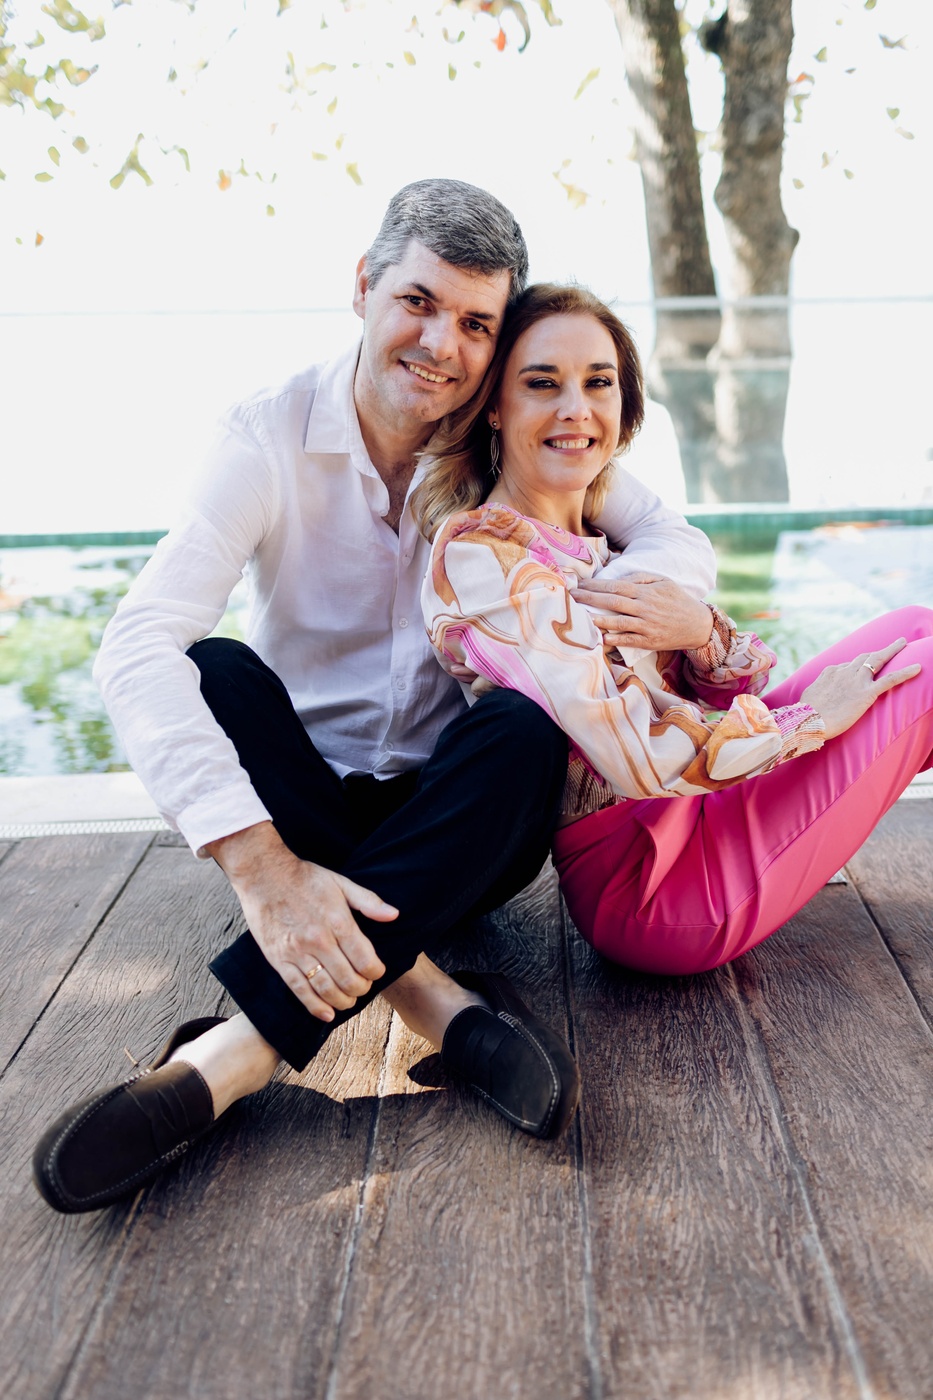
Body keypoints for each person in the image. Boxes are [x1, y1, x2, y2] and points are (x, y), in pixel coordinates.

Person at [32, 183, 717, 1214]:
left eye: (476, 323)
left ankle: (236, 1052)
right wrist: (263, 871)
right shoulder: (264, 434)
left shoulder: (508, 431)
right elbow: (136, 643)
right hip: (299, 821)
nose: (442, 344)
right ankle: (435, 998)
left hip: (460, 824)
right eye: (418, 302)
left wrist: (658, 603)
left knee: (524, 725)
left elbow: (670, 533)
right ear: (363, 286)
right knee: (212, 669)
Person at [422, 282, 933, 980]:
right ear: (493, 405)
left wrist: (698, 631)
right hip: (649, 885)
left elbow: (732, 688)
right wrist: (811, 720)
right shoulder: (485, 556)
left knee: (913, 626)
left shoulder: (604, 535)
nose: (575, 409)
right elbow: (634, 755)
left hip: (698, 803)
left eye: (597, 382)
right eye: (542, 383)